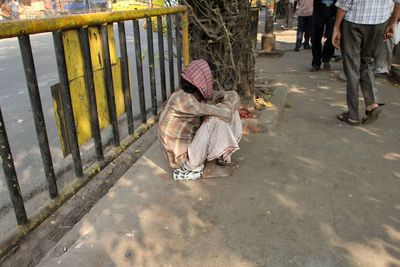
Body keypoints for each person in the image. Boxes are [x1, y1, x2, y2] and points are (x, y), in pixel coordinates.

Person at [158, 59, 242, 181]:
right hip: (183, 161)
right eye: (210, 79)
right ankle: (210, 168)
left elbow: (231, 96)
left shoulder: (190, 95)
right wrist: (227, 103)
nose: (211, 82)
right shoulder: (183, 100)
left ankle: (219, 157)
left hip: (191, 150)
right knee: (215, 120)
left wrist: (228, 100)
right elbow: (225, 112)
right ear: (202, 82)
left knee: (225, 112)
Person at [333, 0, 400, 125]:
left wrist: (336, 28)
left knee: (352, 67)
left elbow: (343, 4)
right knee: (367, 62)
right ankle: (371, 104)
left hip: (354, 21)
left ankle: (353, 115)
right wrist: (393, 22)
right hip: (380, 21)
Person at [310, 0, 337, 72]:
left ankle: (326, 59)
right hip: (319, 8)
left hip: (333, 9)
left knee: (331, 36)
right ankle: (316, 63)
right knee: (315, 36)